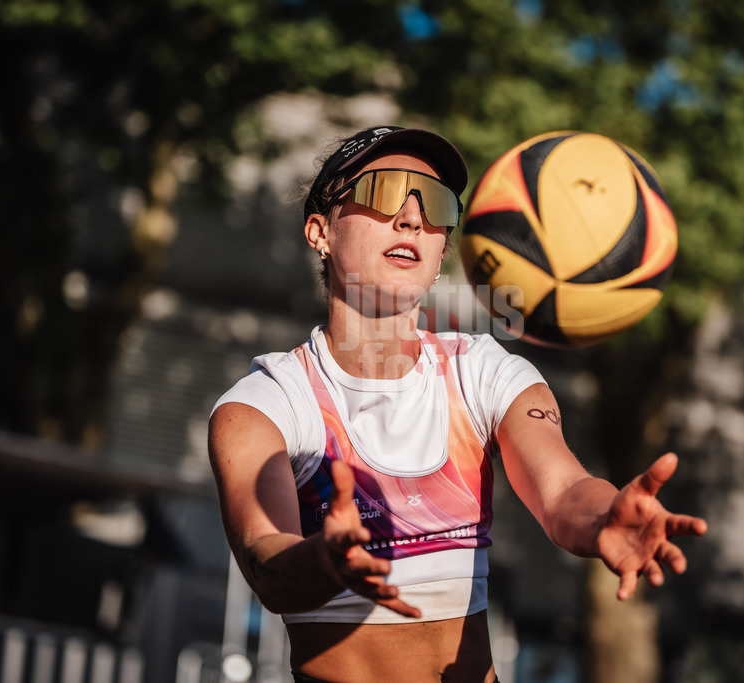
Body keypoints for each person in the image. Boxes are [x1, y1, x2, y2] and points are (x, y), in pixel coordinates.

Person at [208, 125, 708, 683]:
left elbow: (564, 490)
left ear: (444, 247)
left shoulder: (484, 372)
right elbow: (265, 559)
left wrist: (604, 519)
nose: (412, 217)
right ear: (320, 230)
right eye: (383, 190)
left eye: (437, 204)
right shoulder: (268, 403)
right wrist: (322, 562)